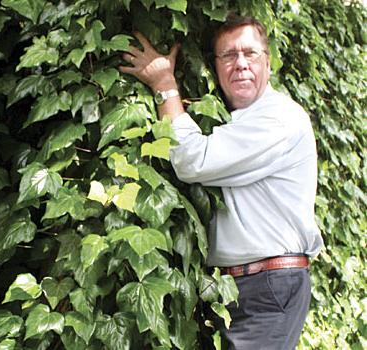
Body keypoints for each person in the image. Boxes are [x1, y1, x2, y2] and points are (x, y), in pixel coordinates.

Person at [119, 14, 324, 350]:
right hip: (252, 285)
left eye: (250, 53)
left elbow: (192, 160)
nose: (240, 64)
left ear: (268, 63)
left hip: (269, 286)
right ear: (215, 67)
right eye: (228, 55)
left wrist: (164, 87)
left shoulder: (278, 119)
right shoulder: (245, 120)